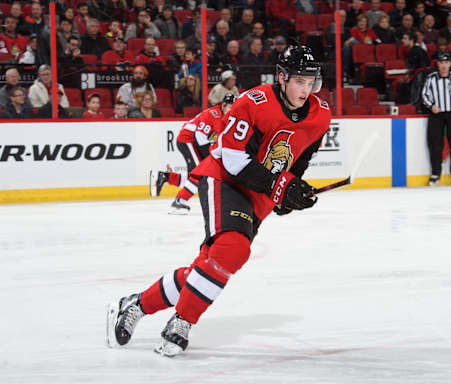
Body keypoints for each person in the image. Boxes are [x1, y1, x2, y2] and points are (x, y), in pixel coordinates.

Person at [106, 45, 330, 357]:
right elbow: (234, 158)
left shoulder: (320, 116)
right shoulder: (253, 102)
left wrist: (293, 192)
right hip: (225, 178)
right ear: (281, 77)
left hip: (261, 194)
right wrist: (280, 186)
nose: (305, 90)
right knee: (234, 249)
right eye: (299, 82)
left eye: (310, 83)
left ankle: (136, 304)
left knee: (210, 265)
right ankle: (182, 322)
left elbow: (298, 161)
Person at [149, 93, 236, 214]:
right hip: (187, 140)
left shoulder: (228, 119)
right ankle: (179, 201)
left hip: (195, 142)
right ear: (223, 106)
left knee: (196, 174)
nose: (232, 110)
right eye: (229, 107)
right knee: (200, 174)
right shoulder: (213, 115)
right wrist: (209, 157)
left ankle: (165, 177)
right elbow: (200, 137)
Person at [421, 52, 451, 186]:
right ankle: (436, 173)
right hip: (437, 115)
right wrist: (431, 106)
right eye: (441, 63)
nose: (443, 66)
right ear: (437, 64)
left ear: (450, 64)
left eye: (446, 63)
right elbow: (424, 94)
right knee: (435, 144)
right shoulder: (431, 78)